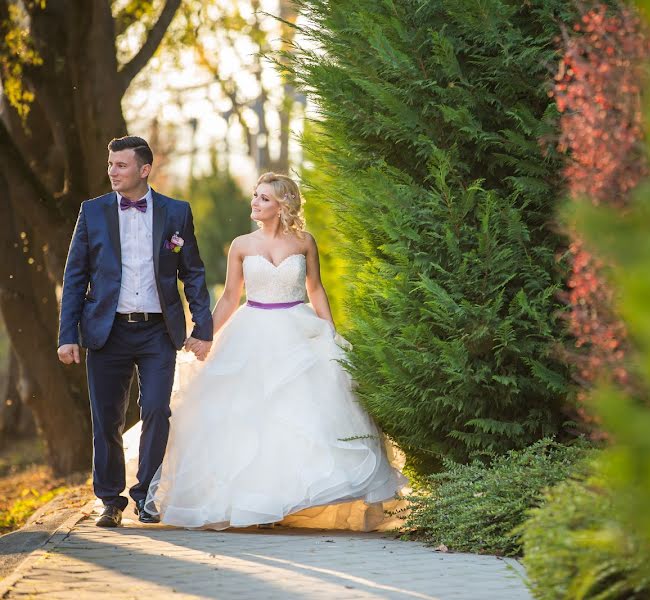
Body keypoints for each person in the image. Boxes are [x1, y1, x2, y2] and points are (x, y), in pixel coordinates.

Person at [126, 172, 406, 530]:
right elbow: (230, 296)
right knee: (249, 418)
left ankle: (289, 499)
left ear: (283, 205)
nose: (254, 203)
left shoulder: (305, 242)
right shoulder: (241, 245)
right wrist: (205, 334)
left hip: (297, 329)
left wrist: (329, 331)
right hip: (252, 330)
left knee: (298, 415)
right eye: (255, 196)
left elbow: (316, 289)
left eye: (264, 199)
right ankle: (252, 502)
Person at [57, 135, 213, 528]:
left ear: (144, 169)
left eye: (121, 165)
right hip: (106, 331)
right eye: (110, 164)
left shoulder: (176, 212)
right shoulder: (91, 213)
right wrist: (67, 335)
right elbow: (75, 277)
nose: (112, 171)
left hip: (159, 331)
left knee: (158, 409)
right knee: (106, 418)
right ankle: (110, 500)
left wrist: (203, 326)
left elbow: (192, 272)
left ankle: (146, 494)